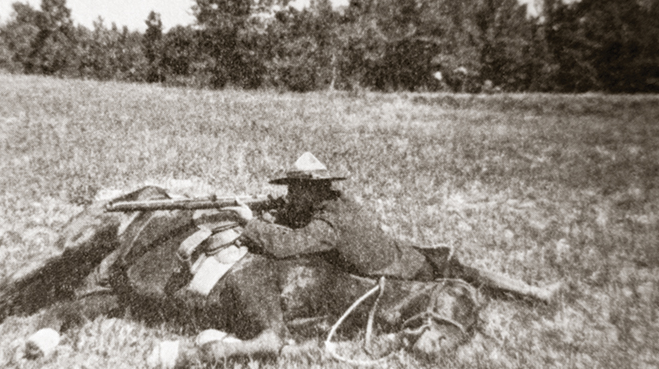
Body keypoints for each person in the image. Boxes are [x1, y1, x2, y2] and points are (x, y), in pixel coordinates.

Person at [227, 152, 561, 303]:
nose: (289, 194)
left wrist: (250, 222)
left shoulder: (329, 219)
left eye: (294, 189)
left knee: (461, 276)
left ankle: (534, 294)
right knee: (464, 270)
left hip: (400, 272)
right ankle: (533, 292)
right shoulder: (334, 201)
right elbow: (299, 221)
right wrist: (281, 211)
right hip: (400, 254)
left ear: (312, 190)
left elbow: (291, 245)